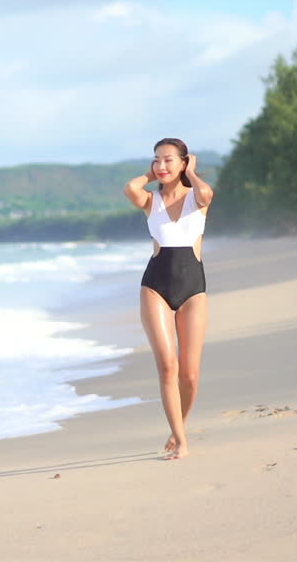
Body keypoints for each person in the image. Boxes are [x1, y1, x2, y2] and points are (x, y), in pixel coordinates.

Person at [122, 138, 215, 460]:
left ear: (184, 162)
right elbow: (129, 188)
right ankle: (181, 439)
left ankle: (180, 426)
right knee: (167, 367)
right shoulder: (151, 200)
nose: (161, 166)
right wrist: (150, 175)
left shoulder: (198, 198)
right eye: (156, 160)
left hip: (193, 289)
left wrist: (192, 173)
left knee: (189, 374)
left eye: (168, 160)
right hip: (155, 287)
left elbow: (206, 193)